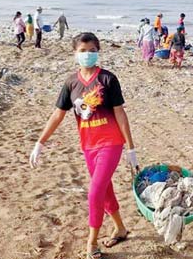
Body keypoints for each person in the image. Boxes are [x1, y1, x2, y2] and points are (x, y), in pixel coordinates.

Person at [29, 32, 139, 259]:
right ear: (74, 53)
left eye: (91, 50)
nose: (87, 54)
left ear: (98, 52)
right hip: (88, 145)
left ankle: (92, 243)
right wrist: (40, 143)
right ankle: (120, 227)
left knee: (95, 191)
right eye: (82, 50)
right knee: (105, 190)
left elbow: (120, 113)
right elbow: (58, 115)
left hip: (111, 142)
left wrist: (131, 148)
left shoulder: (108, 79)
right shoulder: (71, 83)